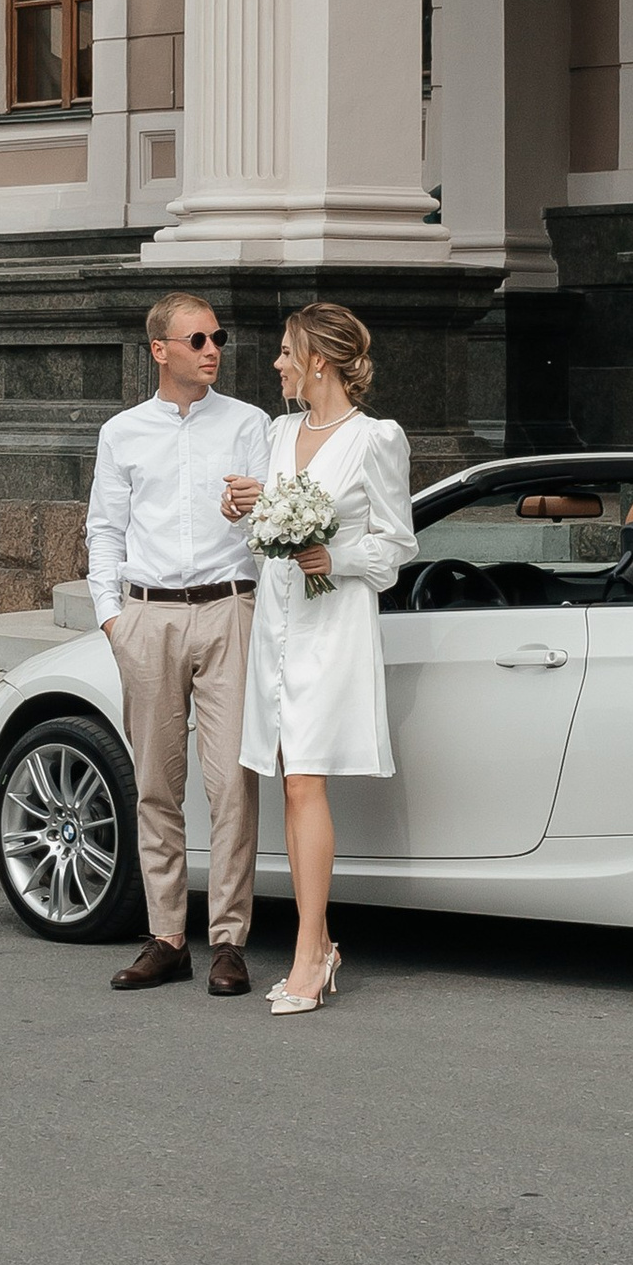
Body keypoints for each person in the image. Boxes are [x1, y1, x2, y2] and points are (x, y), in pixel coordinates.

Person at [225, 302, 415, 1015]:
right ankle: (320, 943)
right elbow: (265, 531)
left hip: (333, 624)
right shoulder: (279, 432)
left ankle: (310, 952)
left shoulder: (375, 439)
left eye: (284, 352)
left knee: (304, 779)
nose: (274, 363)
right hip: (278, 620)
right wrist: (247, 508)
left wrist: (335, 554)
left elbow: (397, 548)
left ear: (319, 362)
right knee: (288, 777)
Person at [86, 293, 274, 994]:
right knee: (157, 787)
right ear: (160, 349)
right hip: (149, 618)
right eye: (196, 339)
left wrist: (250, 511)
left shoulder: (250, 423)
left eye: (218, 337)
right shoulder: (124, 432)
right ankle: (167, 938)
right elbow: (104, 528)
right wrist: (114, 619)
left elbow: (275, 525)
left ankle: (228, 941)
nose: (211, 349)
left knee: (232, 787)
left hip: (230, 610)